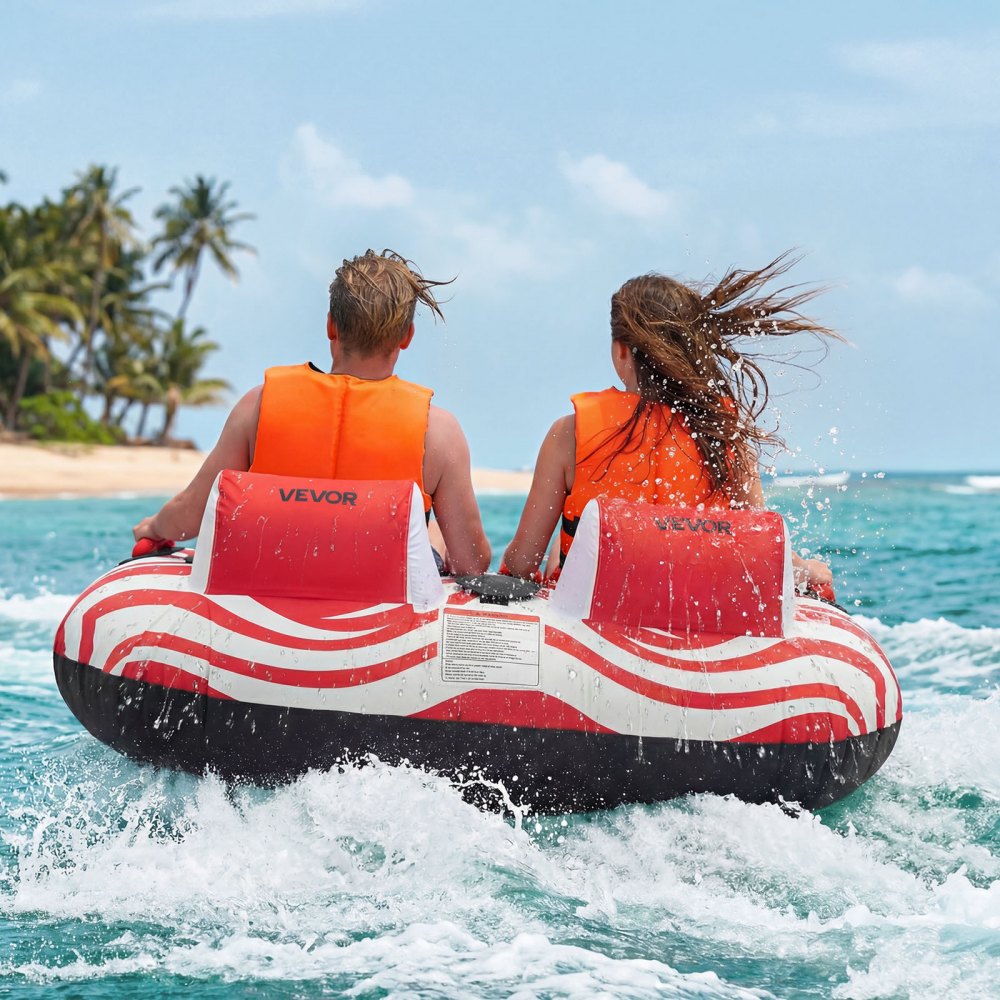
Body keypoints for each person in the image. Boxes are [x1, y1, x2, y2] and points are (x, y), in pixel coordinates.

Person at [133, 249, 491, 576]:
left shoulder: (258, 406)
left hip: (273, 581)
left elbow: (190, 513)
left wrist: (154, 528)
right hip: (383, 595)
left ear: (331, 326)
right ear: (407, 336)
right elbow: (471, 562)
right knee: (435, 527)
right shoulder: (437, 431)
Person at [501, 253, 835, 591]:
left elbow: (523, 563)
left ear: (621, 351)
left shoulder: (569, 435)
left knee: (571, 540)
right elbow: (762, 551)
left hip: (596, 615)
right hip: (697, 611)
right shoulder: (724, 435)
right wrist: (805, 569)